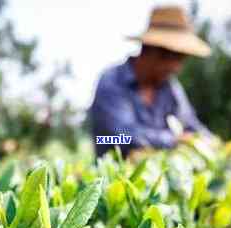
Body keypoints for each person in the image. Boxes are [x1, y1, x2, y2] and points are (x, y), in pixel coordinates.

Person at [90, 6, 212, 157]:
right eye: (169, 57)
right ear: (148, 50)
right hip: (113, 175)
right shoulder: (112, 81)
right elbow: (117, 138)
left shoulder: (170, 88)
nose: (176, 67)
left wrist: (209, 141)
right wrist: (174, 140)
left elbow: (191, 125)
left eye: (181, 59)